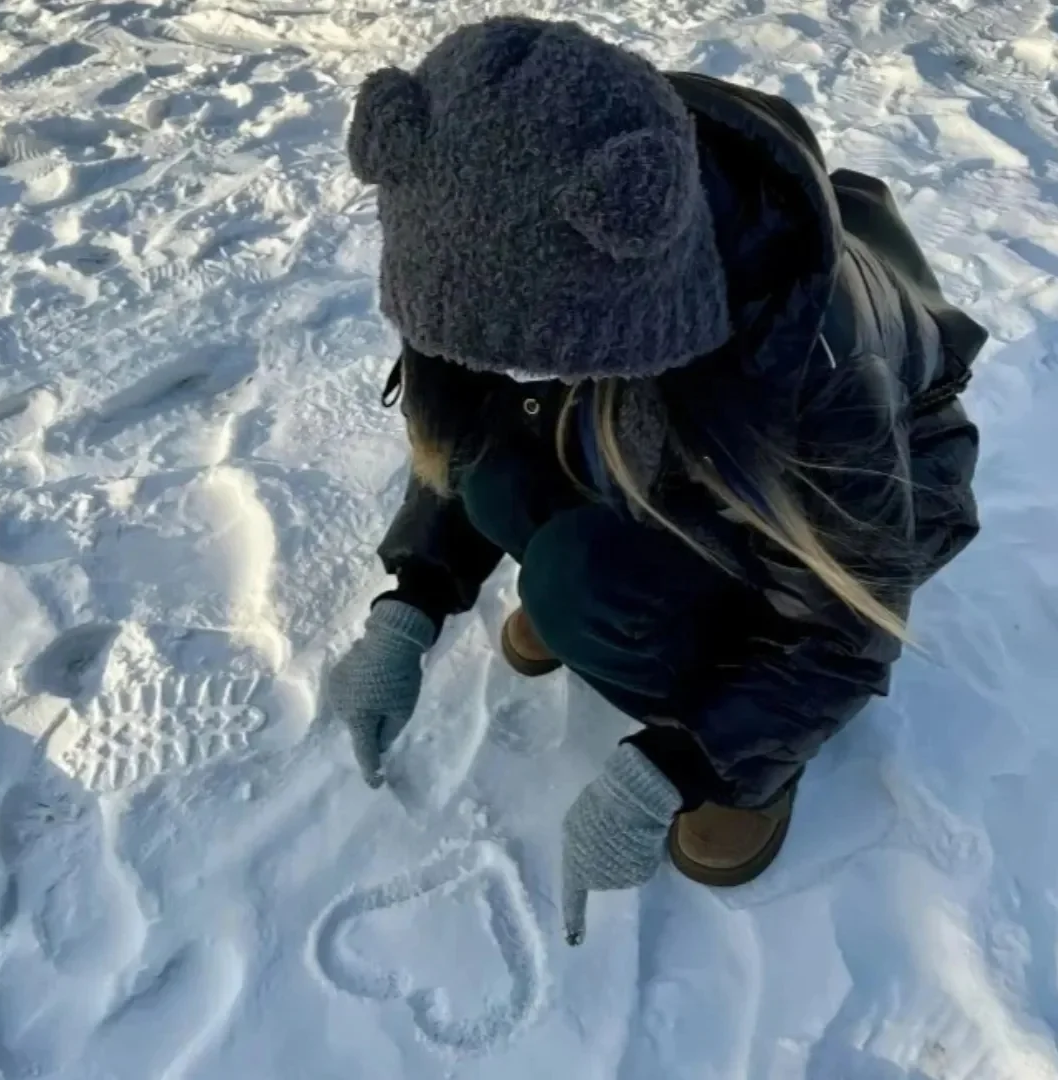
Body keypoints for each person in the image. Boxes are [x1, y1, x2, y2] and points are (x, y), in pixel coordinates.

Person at [325, 17, 986, 946]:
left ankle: (754, 752)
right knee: (501, 479)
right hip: (651, 427)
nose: (505, 378)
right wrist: (412, 601)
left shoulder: (809, 358)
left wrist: (676, 765)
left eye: (530, 362)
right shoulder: (489, 209)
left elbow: (844, 626)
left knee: (583, 584)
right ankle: (606, 597)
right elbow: (467, 419)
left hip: (817, 507)